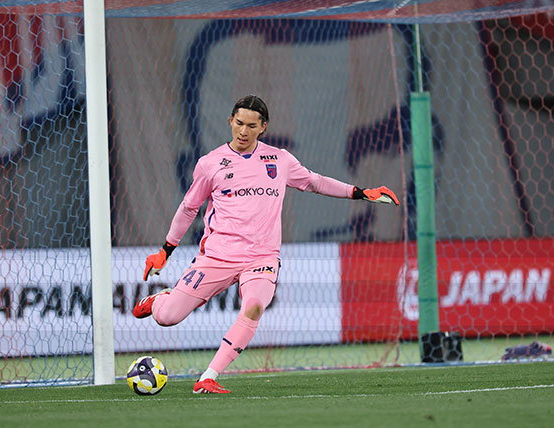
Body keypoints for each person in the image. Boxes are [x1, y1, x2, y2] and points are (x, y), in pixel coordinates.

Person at [133, 95, 399, 394]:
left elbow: (315, 182)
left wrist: (360, 192)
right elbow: (188, 208)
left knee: (254, 306)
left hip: (262, 257)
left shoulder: (279, 159)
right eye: (238, 123)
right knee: (168, 317)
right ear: (230, 121)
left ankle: (208, 376)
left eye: (251, 126)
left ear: (263, 127)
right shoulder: (210, 164)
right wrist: (166, 251)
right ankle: (159, 300)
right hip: (218, 256)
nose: (243, 131)